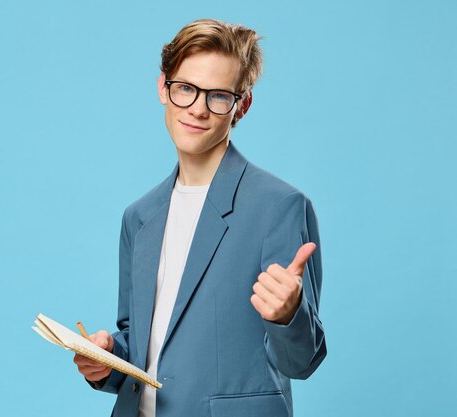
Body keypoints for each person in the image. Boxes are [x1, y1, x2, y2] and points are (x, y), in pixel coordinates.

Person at [74, 18, 326, 417]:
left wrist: (289, 316)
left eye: (218, 96)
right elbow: (143, 347)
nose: (197, 109)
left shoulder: (280, 206)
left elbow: (301, 362)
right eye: (186, 89)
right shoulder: (138, 217)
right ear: (163, 88)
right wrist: (107, 361)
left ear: (242, 105)